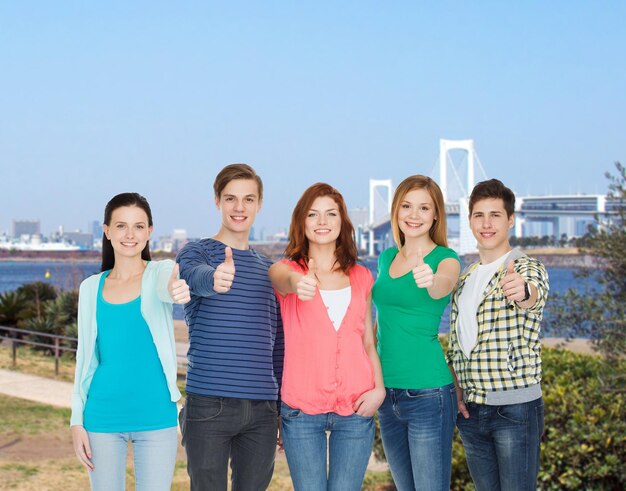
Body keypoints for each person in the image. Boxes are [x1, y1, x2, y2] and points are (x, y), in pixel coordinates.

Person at [269, 183, 386, 491]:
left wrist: (379, 390)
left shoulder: (362, 276)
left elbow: (367, 342)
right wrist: (297, 282)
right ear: (301, 222)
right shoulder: (285, 270)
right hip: (301, 410)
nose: (322, 221)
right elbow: (281, 279)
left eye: (330, 214)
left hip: (357, 406)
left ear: (342, 222)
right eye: (313, 214)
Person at [70, 192, 190, 491]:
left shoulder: (159, 272)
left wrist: (178, 289)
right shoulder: (89, 289)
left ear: (150, 232)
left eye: (139, 226)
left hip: (156, 415)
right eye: (121, 226)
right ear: (107, 230)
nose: (130, 234)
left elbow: (171, 283)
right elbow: (85, 359)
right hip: (101, 417)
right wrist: (76, 421)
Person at [176, 163, 284, 491]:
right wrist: (215, 279)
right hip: (209, 404)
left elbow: (277, 344)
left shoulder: (270, 270)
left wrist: (280, 408)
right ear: (217, 202)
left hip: (263, 409)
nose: (240, 207)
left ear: (259, 204)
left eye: (248, 199)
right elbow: (192, 276)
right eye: (231, 198)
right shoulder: (197, 252)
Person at [447, 179, 549, 491]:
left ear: (510, 220)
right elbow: (457, 343)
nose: (486, 224)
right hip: (472, 413)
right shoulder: (463, 280)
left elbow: (534, 295)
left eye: (495, 215)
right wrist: (457, 389)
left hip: (514, 411)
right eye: (479, 215)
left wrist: (523, 292)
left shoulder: (525, 267)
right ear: (469, 221)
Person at [372, 175, 461, 491]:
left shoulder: (445, 259)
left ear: (436, 214)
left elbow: (443, 286)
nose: (414, 215)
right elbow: (381, 324)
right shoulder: (386, 258)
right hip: (386, 393)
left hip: (428, 393)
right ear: (396, 211)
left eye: (424, 208)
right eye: (407, 206)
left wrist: (430, 280)